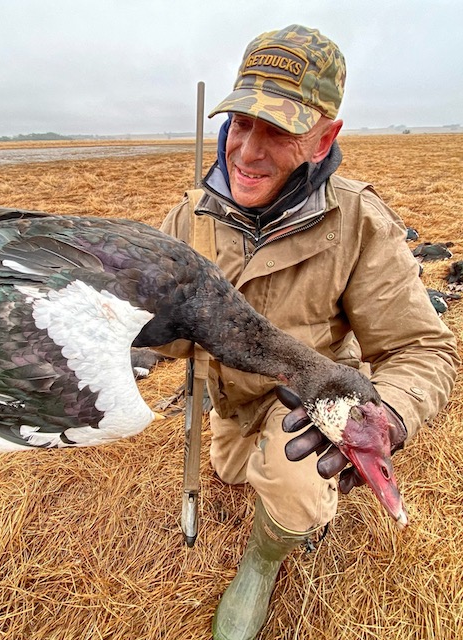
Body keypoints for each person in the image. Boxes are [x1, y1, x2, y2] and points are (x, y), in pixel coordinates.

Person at [157, 24, 460, 640]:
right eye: (242, 122)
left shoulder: (358, 221)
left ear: (326, 138)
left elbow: (422, 349)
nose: (246, 152)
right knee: (232, 468)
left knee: (302, 473)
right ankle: (258, 470)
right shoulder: (189, 217)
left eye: (279, 131)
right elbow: (158, 338)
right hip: (230, 407)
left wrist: (391, 415)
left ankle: (261, 565)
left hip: (307, 399)